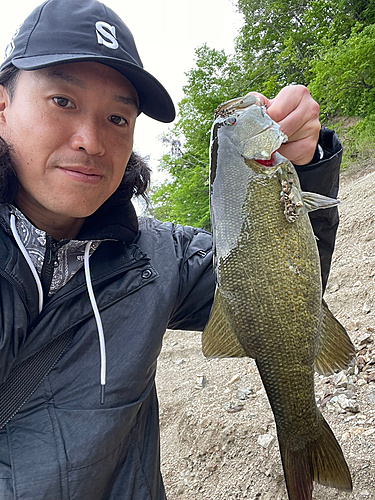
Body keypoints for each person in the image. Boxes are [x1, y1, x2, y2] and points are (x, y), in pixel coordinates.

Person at [0, 1, 342, 499]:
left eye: (117, 117)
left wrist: (305, 166)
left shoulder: (164, 257)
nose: (91, 141)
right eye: (63, 101)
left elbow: (286, 297)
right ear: (3, 108)